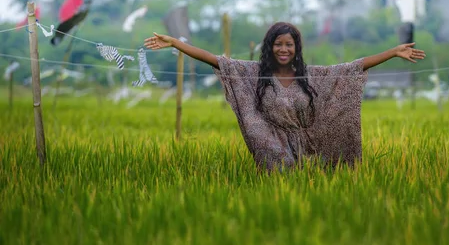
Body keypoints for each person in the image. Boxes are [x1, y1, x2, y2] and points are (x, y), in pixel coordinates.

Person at [144, 22, 425, 171]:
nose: (283, 49)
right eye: (278, 44)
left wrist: (392, 52)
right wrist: (177, 43)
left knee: (313, 180)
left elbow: (351, 68)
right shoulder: (254, 73)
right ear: (270, 47)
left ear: (296, 48)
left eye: (288, 44)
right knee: (281, 177)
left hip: (307, 141)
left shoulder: (310, 76)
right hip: (271, 143)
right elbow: (214, 60)